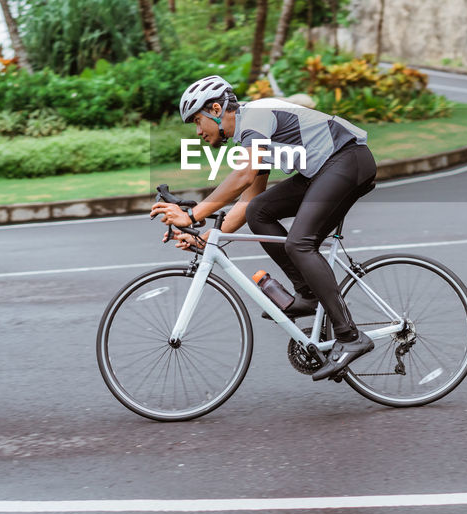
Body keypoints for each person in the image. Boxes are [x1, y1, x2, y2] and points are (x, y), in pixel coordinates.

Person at [150, 75, 378, 381]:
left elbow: (244, 174)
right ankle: (308, 294)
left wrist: (193, 215)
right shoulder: (251, 135)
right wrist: (206, 239)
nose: (197, 131)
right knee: (262, 211)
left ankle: (350, 337)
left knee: (300, 243)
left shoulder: (254, 117)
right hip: (325, 169)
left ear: (216, 109)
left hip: (348, 160)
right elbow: (249, 202)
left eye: (197, 121)